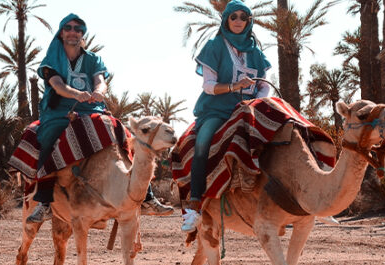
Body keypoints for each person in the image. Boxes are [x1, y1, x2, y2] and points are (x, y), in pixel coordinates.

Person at [27, 13, 171, 223]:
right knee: (48, 137)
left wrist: (99, 91)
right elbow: (57, 85)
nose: (73, 31)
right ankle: (45, 201)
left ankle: (147, 196)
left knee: (126, 135)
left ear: (82, 34)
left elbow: (100, 80)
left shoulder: (93, 59)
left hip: (93, 109)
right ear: (61, 32)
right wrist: (76, 94)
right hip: (60, 111)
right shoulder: (52, 59)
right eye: (68, 27)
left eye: (78, 28)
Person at [181, 0, 271, 232]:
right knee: (202, 143)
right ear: (226, 20)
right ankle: (195, 204)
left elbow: (264, 86)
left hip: (248, 110)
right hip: (217, 110)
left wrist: (257, 99)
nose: (239, 21)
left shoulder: (257, 53)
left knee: (282, 135)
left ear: (249, 21)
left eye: (244, 17)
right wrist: (234, 86)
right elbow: (209, 86)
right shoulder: (215, 46)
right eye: (234, 17)